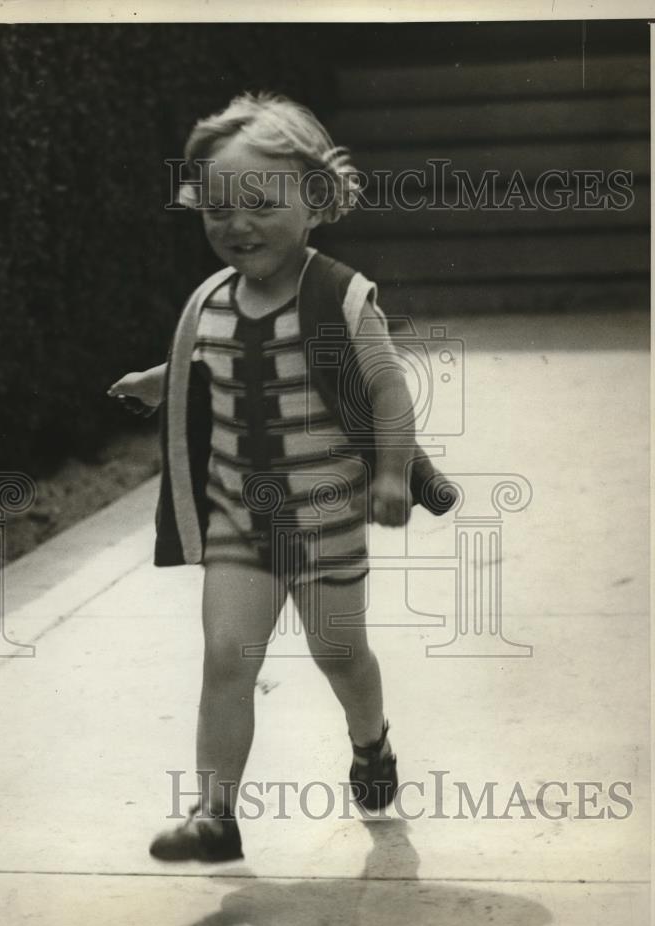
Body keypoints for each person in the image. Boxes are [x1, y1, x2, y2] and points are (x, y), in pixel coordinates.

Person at [108, 92, 452, 863]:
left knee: (341, 656)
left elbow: (388, 389)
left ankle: (371, 744)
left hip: (326, 514)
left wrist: (393, 471)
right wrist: (155, 381)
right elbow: (202, 363)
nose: (238, 225)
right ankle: (214, 815)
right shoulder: (210, 302)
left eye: (261, 204)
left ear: (316, 201)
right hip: (238, 519)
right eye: (217, 209)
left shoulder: (340, 295)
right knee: (227, 656)